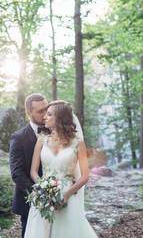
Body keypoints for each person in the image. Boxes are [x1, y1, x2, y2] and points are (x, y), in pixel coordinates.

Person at [24, 100, 98, 238]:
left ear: (60, 118)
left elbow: (85, 176)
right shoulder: (41, 141)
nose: (44, 117)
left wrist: (66, 194)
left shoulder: (78, 143)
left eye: (49, 114)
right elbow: (33, 172)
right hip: (43, 197)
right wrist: (44, 191)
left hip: (68, 197)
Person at [9, 93, 49, 238]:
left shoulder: (57, 133)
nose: (45, 115)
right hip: (30, 200)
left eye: (46, 109)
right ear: (28, 113)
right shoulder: (18, 138)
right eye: (40, 111)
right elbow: (17, 173)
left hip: (58, 199)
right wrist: (41, 194)